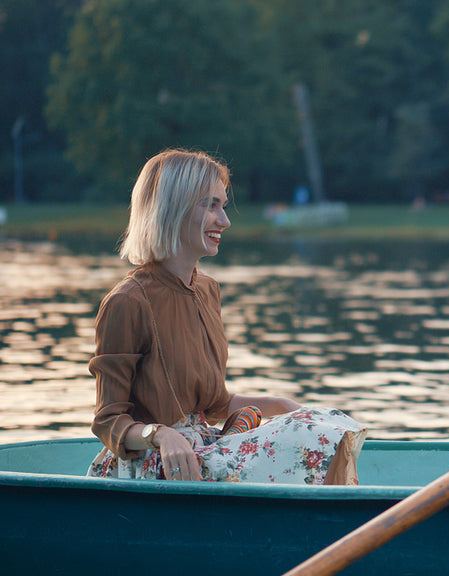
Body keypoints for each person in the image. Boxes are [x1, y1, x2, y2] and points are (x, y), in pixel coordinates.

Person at [87, 149, 366, 484]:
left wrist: (283, 405)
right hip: (154, 463)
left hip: (203, 448)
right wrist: (161, 436)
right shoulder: (126, 302)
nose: (225, 220)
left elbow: (216, 404)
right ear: (172, 209)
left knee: (327, 422)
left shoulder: (207, 290)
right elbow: (107, 420)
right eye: (211, 205)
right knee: (310, 436)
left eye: (223, 205)